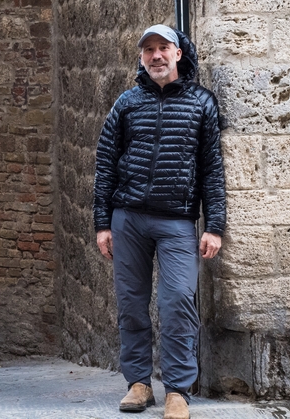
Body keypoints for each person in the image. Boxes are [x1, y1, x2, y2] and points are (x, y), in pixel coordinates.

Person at [93, 24, 226, 419]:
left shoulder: (202, 103)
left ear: (178, 53)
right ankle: (138, 384)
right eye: (148, 49)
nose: (156, 56)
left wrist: (214, 225)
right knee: (131, 304)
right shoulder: (126, 104)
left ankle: (178, 392)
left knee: (178, 302)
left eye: (163, 48)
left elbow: (212, 169)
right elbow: (105, 166)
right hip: (128, 219)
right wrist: (103, 223)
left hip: (177, 222)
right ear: (141, 57)